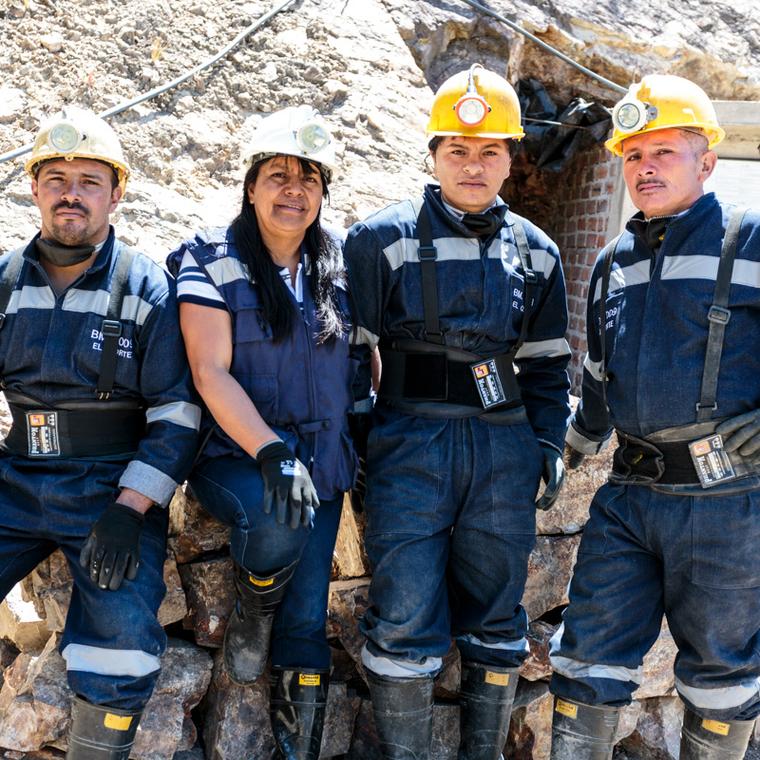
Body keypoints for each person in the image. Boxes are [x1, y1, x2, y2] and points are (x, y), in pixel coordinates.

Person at [344, 64, 571, 760]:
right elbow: (351, 357)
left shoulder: (538, 250)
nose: (474, 166)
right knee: (405, 614)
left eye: (491, 151)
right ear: (434, 153)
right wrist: (361, 445)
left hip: (502, 450)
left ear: (512, 156)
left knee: (499, 620)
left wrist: (547, 445)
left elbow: (547, 364)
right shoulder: (378, 240)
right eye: (459, 151)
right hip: (409, 444)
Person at [550, 74, 760, 759]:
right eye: (633, 155)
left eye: (663, 151)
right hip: (629, 500)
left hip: (727, 505)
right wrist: (566, 454)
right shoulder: (611, 263)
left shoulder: (750, 239)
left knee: (723, 680)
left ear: (706, 161)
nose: (645, 167)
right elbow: (597, 384)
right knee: (585, 663)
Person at [167, 105, 369, 760]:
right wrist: (274, 453)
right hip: (238, 455)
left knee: (309, 625)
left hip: (324, 459)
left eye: (309, 177)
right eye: (278, 174)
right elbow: (209, 369)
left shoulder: (339, 267)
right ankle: (253, 608)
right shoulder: (210, 259)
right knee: (274, 521)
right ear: (251, 185)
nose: (294, 189)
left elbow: (368, 361)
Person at [0, 106, 199, 759]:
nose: (71, 193)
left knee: (118, 639)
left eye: (89, 180)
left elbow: (178, 412)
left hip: (108, 487)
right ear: (34, 188)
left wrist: (130, 509)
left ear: (115, 193)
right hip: (16, 478)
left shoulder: (144, 286)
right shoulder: (4, 282)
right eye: (56, 177)